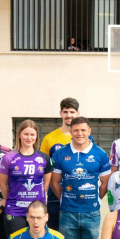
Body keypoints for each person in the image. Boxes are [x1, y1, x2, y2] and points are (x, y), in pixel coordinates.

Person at [50, 117, 112, 239]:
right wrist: (66, 199)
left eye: (83, 130)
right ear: (71, 131)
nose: (79, 133)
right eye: (76, 130)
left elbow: (105, 184)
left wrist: (94, 200)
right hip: (67, 212)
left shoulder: (100, 154)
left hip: (91, 212)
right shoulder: (61, 154)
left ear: (89, 130)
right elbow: (55, 182)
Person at [0, 119, 52, 234]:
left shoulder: (44, 158)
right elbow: (2, 184)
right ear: (19, 135)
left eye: (32, 134)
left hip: (37, 211)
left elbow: (45, 185)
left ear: (36, 136)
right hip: (15, 210)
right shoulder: (8, 158)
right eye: (26, 134)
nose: (29, 137)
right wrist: (11, 200)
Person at [40, 97, 81, 231]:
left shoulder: (84, 137)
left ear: (77, 114)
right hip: (54, 194)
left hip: (78, 193)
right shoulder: (49, 138)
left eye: (72, 112)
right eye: (65, 112)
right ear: (60, 113)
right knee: (54, 233)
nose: (69, 115)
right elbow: (43, 168)